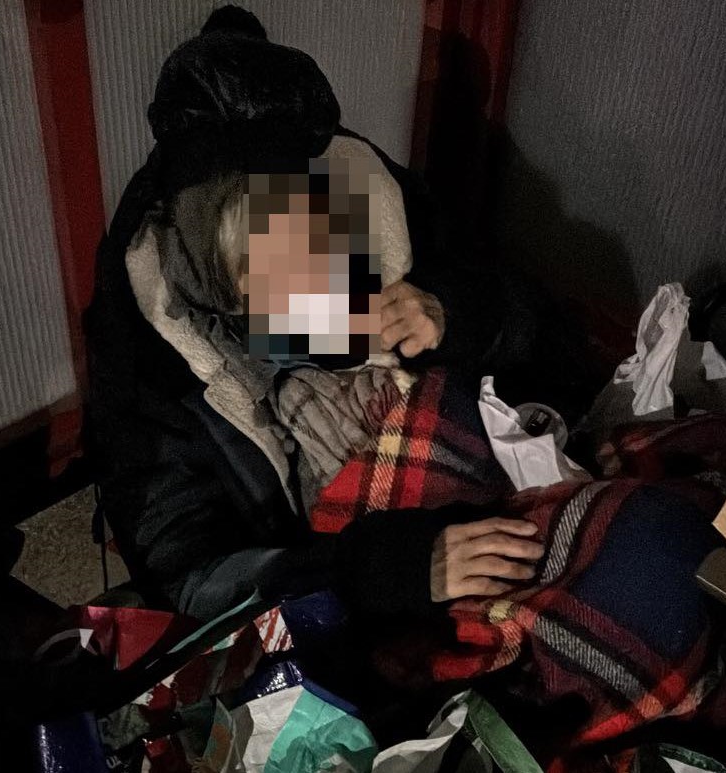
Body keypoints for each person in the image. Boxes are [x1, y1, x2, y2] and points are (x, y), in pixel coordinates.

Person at [85, 7, 557, 625]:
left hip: (494, 487)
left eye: (322, 237)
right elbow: (187, 574)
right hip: (334, 579)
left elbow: (539, 335)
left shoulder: (379, 215)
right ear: (219, 281)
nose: (320, 277)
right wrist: (387, 571)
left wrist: (452, 312)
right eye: (270, 264)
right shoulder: (152, 354)